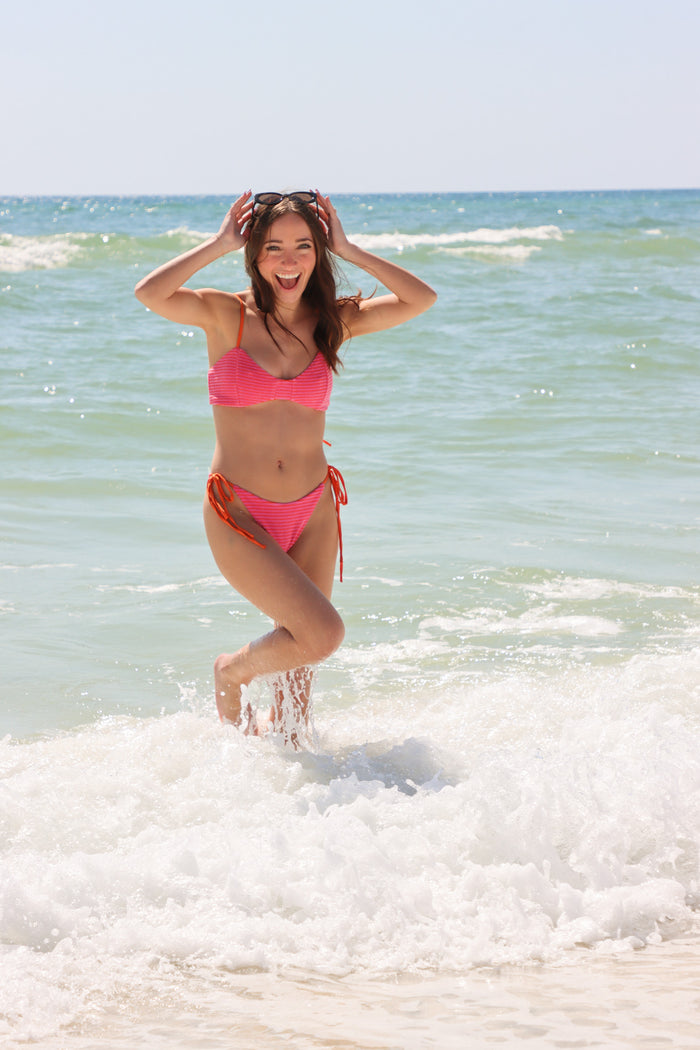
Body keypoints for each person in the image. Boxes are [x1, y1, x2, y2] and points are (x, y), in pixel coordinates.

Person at [135, 190, 436, 739]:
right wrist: (219, 241)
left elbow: (420, 299)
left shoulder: (331, 324)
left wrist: (350, 248)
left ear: (318, 254)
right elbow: (149, 293)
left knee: (297, 713)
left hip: (314, 508)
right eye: (273, 248)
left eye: (303, 246)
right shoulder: (224, 315)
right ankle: (232, 670)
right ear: (254, 256)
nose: (289, 260)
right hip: (237, 513)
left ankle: (291, 801)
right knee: (321, 633)